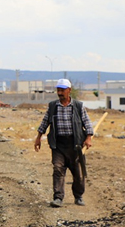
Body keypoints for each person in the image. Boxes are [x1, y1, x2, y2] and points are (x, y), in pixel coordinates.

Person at [34, 78, 94, 207]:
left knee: (78, 172)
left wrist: (88, 137)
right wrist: (38, 137)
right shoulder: (52, 106)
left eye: (62, 90)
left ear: (69, 91)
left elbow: (87, 123)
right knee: (58, 169)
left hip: (76, 144)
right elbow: (45, 122)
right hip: (59, 145)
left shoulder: (78, 106)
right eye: (58, 90)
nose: (60, 93)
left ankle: (78, 196)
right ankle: (58, 198)